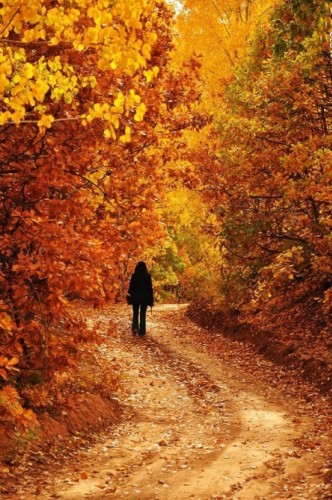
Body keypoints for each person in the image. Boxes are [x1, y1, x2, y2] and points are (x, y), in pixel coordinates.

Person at [127, 261, 154, 336]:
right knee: (143, 314)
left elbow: (131, 287)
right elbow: (150, 289)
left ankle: (135, 327)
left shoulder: (134, 276)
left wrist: (129, 296)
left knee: (135, 313)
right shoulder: (148, 276)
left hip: (135, 297)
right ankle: (142, 331)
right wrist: (151, 300)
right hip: (144, 298)